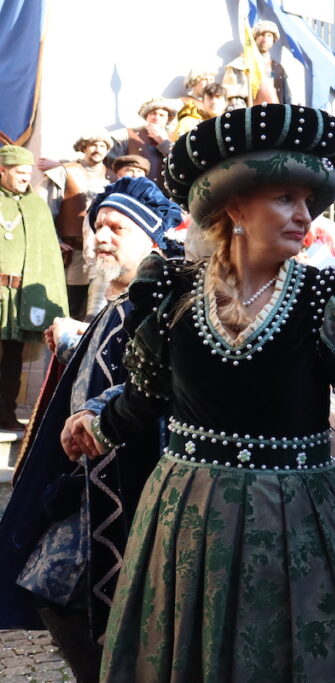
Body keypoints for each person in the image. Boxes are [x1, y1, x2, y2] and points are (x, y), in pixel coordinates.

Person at [59, 104, 335, 680]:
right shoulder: (170, 292)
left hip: (299, 520)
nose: (306, 217)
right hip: (187, 520)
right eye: (285, 199)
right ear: (234, 206)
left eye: (309, 202)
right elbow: (146, 400)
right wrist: (97, 423)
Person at [0, 177, 182, 683]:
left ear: (152, 238)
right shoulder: (116, 304)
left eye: (116, 228)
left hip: (131, 487)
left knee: (102, 602)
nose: (101, 236)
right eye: (97, 226)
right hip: (85, 485)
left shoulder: (155, 308)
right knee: (50, 591)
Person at [0, 146, 68, 433]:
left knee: (13, 359)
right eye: (19, 173)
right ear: (2, 170)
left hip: (21, 298)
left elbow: (46, 254)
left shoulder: (36, 206)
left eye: (29, 173)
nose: (26, 178)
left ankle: (5, 414)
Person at [38, 132, 116, 320]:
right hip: (72, 251)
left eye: (103, 146)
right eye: (93, 144)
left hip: (102, 251)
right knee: (70, 302)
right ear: (83, 147)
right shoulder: (65, 172)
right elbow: (47, 210)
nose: (98, 149)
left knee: (96, 307)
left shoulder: (112, 177)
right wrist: (54, 240)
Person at [108, 98, 179, 191]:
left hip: (164, 195)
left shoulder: (176, 138)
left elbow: (180, 161)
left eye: (161, 115)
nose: (156, 117)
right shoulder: (128, 134)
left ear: (168, 119)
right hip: (135, 192)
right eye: (153, 113)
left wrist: (164, 143)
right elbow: (109, 158)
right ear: (146, 116)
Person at [223, 19, 291, 108]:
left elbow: (287, 98)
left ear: (273, 40)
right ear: (255, 38)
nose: (265, 39)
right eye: (261, 35)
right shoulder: (241, 65)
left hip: (276, 117)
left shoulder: (278, 68)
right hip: (253, 118)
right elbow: (233, 98)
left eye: (269, 35)